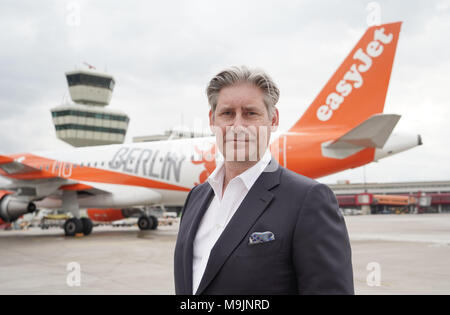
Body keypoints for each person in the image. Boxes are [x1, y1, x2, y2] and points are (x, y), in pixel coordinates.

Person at [174, 66, 354, 295]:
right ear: (212, 120)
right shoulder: (196, 198)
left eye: (250, 113)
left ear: (273, 119)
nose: (237, 126)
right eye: (227, 113)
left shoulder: (308, 200)